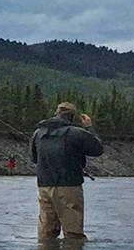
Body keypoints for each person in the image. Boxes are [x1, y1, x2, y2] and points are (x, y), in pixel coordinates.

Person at [30, 101, 103, 242]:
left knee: (46, 233)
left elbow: (34, 158)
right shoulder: (76, 133)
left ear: (56, 113)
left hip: (44, 186)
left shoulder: (38, 133)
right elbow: (98, 149)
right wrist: (89, 127)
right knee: (73, 234)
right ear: (72, 117)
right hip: (69, 186)